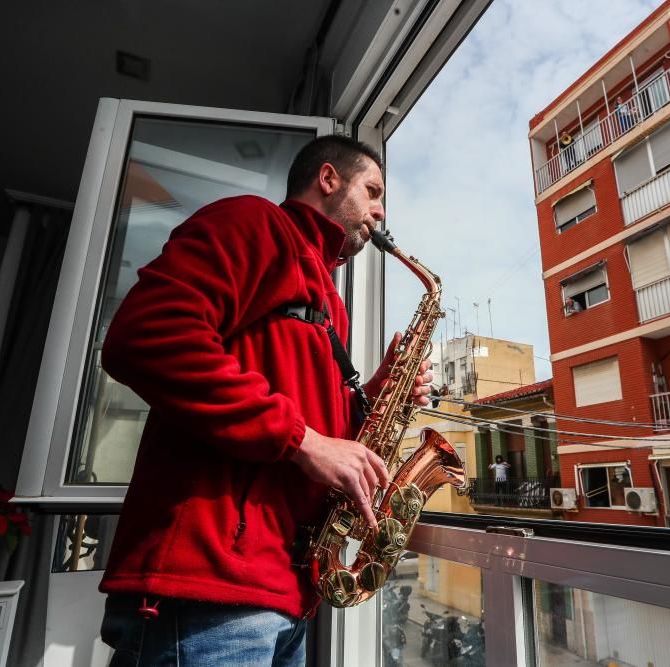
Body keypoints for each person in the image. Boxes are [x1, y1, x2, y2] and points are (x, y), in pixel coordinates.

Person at [97, 135, 433, 667]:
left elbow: (316, 429)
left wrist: (379, 390)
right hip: (210, 592)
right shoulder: (253, 224)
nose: (379, 211)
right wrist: (301, 439)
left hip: (285, 593)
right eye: (372, 191)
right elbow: (145, 335)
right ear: (328, 179)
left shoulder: (329, 299)